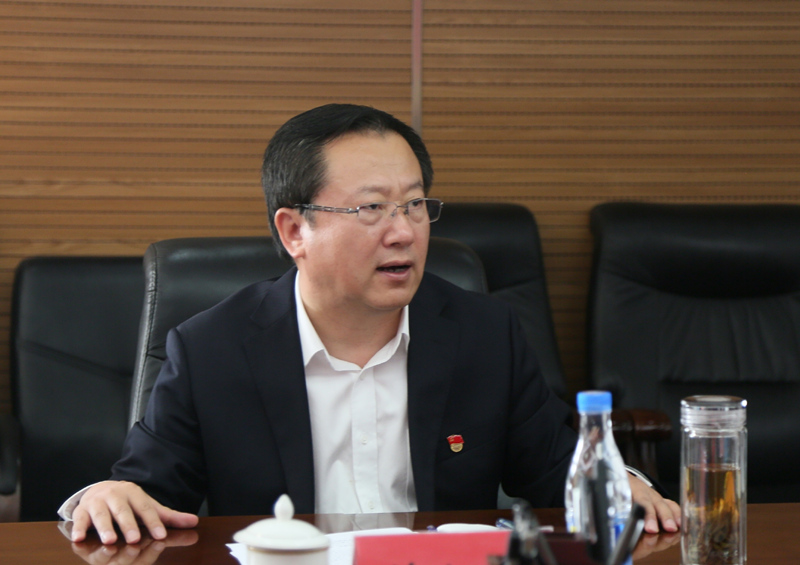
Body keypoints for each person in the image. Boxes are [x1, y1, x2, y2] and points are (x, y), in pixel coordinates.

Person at [63, 104, 680, 545]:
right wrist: (108, 497)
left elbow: (557, 467)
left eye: (415, 204)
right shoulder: (211, 350)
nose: (404, 231)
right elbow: (146, 490)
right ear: (295, 230)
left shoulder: (484, 333)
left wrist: (622, 482)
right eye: (372, 208)